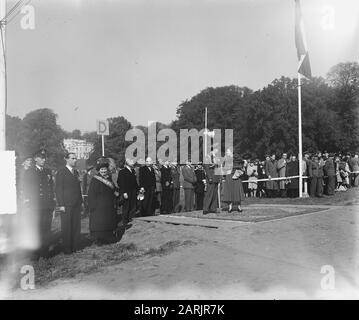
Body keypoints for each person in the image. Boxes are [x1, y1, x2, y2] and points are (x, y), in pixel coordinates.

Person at [55, 152, 83, 254]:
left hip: (76, 203)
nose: (75, 160)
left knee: (76, 226)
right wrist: (61, 204)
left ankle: (75, 247)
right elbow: (58, 189)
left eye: (75, 158)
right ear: (66, 159)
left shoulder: (76, 172)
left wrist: (81, 201)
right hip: (66, 204)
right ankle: (67, 249)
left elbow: (78, 188)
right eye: (72, 158)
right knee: (67, 226)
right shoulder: (61, 172)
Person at [88, 162, 119, 244]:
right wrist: (92, 205)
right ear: (99, 170)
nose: (103, 171)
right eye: (102, 169)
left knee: (107, 221)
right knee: (100, 222)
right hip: (99, 205)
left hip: (108, 204)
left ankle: (108, 238)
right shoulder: (95, 179)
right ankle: (99, 239)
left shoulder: (109, 178)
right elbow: (91, 193)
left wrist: (116, 192)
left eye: (105, 169)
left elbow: (113, 188)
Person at [117, 158, 139, 225]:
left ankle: (131, 219)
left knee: (133, 206)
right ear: (127, 163)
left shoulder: (132, 171)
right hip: (126, 192)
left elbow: (134, 182)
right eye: (131, 162)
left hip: (133, 191)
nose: (132, 163)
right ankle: (125, 221)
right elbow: (120, 182)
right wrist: (124, 192)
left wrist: (138, 189)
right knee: (126, 207)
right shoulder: (122, 171)